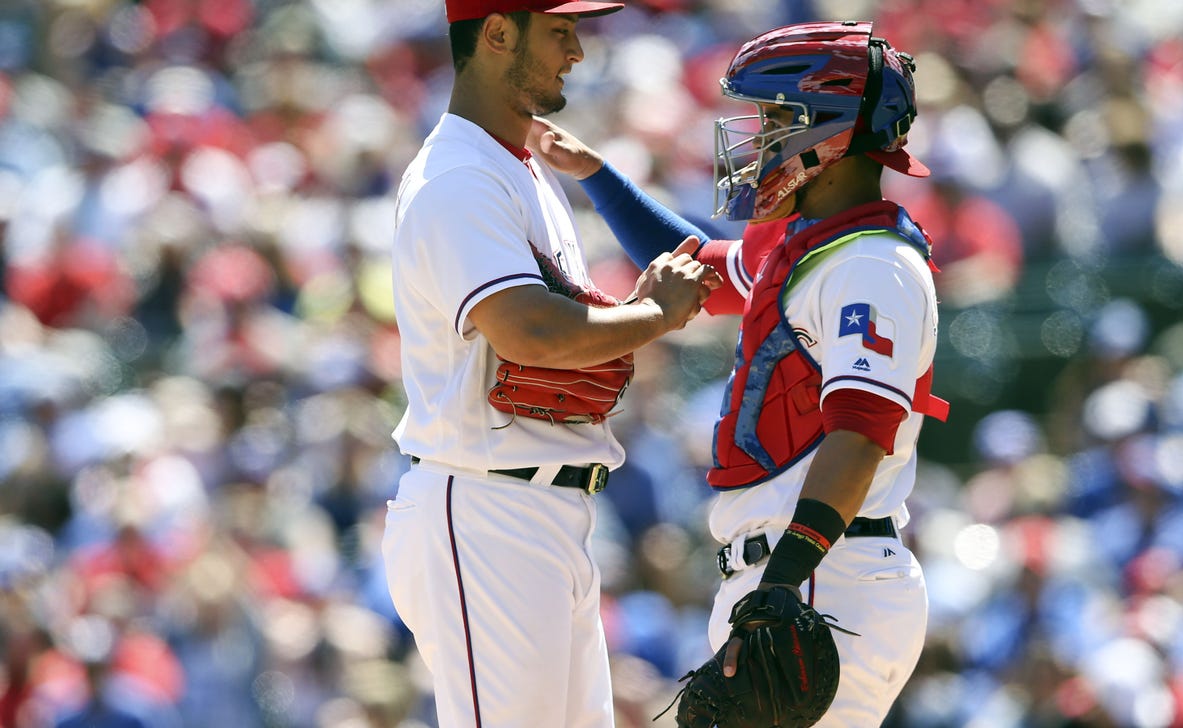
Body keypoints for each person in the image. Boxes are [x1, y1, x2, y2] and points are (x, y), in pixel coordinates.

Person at [529, 20, 948, 726]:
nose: (760, 138)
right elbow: (696, 266)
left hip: (820, 575)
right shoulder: (814, 246)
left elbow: (860, 434)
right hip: (798, 575)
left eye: (779, 118)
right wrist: (596, 175)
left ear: (833, 132)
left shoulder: (873, 265)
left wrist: (783, 580)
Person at [380, 2, 721, 727]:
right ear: (498, 32)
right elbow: (530, 332)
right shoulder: (458, 176)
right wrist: (653, 314)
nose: (577, 52)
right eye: (559, 32)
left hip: (541, 508)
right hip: (486, 506)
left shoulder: (525, 170)